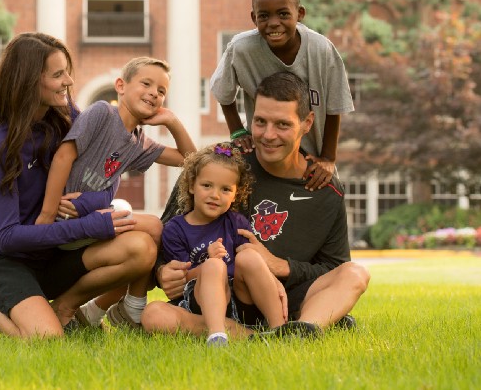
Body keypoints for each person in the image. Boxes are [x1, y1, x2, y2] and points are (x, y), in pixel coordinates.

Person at [0, 33, 157, 339]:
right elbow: (7, 237)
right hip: (8, 260)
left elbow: (108, 174)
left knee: (142, 247)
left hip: (55, 253)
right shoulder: (0, 143)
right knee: (47, 338)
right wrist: (88, 227)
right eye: (58, 75)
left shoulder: (67, 117)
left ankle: (66, 309)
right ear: (29, 81)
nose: (68, 81)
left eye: (66, 72)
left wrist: (84, 208)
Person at [144, 71, 370, 338]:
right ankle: (261, 335)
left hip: (290, 296)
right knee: (155, 315)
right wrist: (162, 271)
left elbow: (334, 268)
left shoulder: (325, 189)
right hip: (222, 296)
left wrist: (279, 265)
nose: (268, 135)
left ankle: (303, 327)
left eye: (282, 125)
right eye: (260, 122)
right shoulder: (222, 164)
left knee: (355, 274)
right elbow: (168, 230)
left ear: (307, 123)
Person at [35, 56, 196, 328]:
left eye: (161, 91)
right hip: (64, 220)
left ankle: (118, 306)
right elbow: (64, 156)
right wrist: (47, 216)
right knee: (155, 226)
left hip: (90, 220)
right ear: (121, 85)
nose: (154, 93)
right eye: (146, 83)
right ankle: (133, 307)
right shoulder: (102, 113)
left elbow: (191, 160)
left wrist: (172, 122)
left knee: (147, 240)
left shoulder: (137, 142)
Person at [210, 0, 354, 191]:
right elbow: (223, 92)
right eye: (264, 16)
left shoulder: (321, 50)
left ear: (300, 14)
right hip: (263, 157)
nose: (273, 23)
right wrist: (238, 131)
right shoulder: (241, 49)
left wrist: (327, 158)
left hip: (310, 164)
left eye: (284, 14)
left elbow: (335, 108)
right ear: (253, 17)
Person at [159, 142, 287, 346]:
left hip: (238, 300)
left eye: (225, 189)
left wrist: (272, 280)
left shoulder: (235, 223)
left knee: (250, 256)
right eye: (207, 185)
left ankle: (280, 330)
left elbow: (253, 266)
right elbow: (181, 281)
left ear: (236, 194)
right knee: (152, 314)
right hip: (199, 303)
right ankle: (220, 335)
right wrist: (208, 264)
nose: (215, 195)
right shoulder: (175, 229)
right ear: (192, 185)